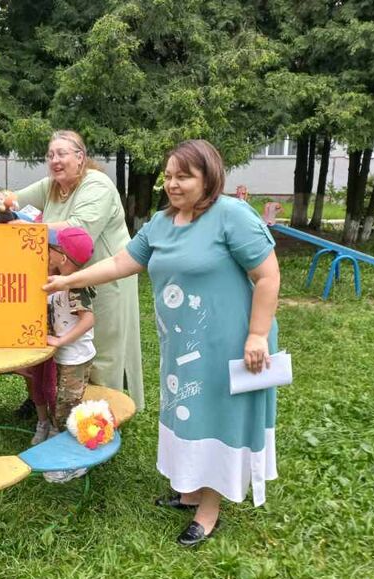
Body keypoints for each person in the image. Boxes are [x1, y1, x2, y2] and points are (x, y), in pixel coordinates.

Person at [44, 139, 281, 546]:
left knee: (216, 417)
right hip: (183, 346)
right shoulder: (162, 222)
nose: (172, 184)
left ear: (208, 177)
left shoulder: (231, 215)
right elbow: (121, 262)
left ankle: (209, 509)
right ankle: (189, 490)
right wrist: (68, 280)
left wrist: (257, 335)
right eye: (168, 176)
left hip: (229, 343)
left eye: (183, 176)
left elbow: (268, 276)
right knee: (187, 412)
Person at [14, 130, 145, 413]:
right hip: (65, 277)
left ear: (80, 157)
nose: (55, 160)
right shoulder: (52, 186)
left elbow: (79, 228)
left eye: (62, 153)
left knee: (101, 347)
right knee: (63, 336)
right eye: (50, 155)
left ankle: (103, 412)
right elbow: (13, 200)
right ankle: (58, 401)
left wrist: (29, 228)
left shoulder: (96, 184)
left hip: (107, 276)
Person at [32, 227, 96, 484]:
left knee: (67, 411)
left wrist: (60, 341)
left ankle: (76, 463)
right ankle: (61, 453)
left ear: (62, 256)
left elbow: (88, 319)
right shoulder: (61, 281)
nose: (47, 253)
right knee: (60, 406)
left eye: (51, 249)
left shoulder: (76, 285)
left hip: (75, 359)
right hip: (65, 358)